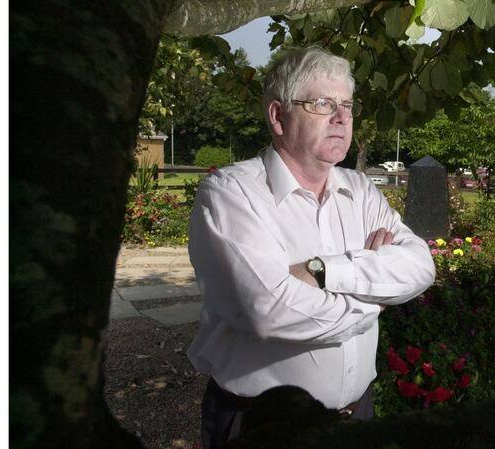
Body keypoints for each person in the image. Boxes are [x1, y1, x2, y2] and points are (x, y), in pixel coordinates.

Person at [187, 46, 436, 448]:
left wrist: (322, 271)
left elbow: (421, 265)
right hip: (262, 429)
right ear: (278, 116)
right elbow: (268, 310)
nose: (341, 117)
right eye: (322, 103)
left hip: (357, 415)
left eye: (348, 105)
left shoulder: (360, 190)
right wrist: (376, 300)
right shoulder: (232, 194)